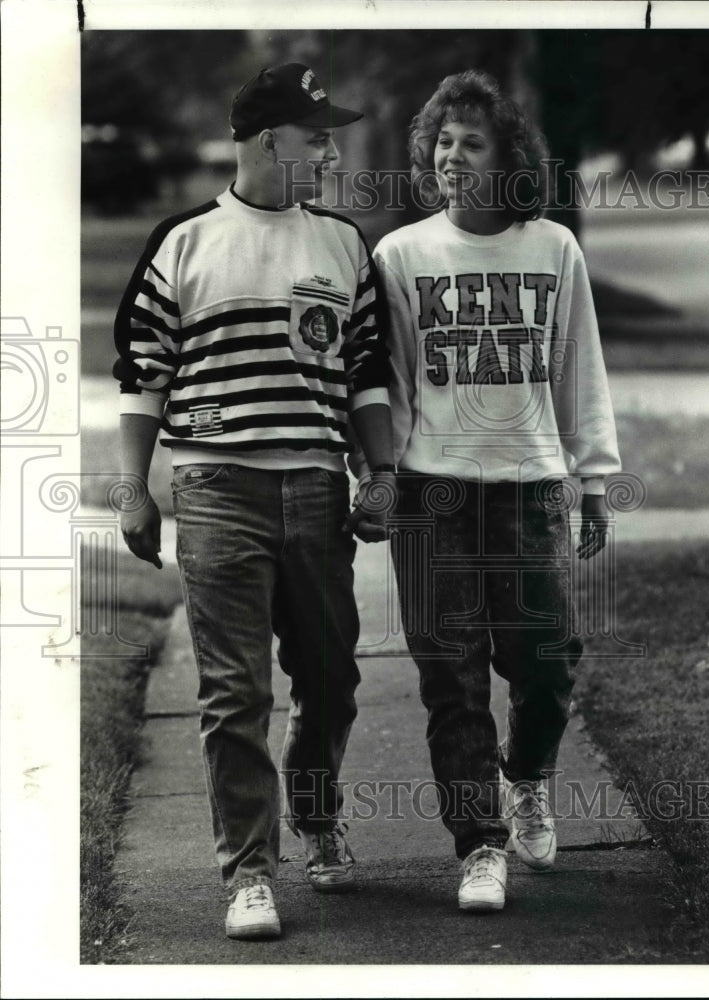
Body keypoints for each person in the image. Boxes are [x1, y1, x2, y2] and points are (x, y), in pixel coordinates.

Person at [113, 62, 394, 940]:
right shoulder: (183, 242)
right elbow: (141, 376)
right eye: (316, 134)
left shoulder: (343, 244)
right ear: (269, 139)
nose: (330, 147)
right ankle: (248, 871)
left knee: (330, 680)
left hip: (314, 488)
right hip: (215, 489)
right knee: (235, 693)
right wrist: (134, 490)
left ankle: (314, 815)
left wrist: (378, 473)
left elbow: (367, 375)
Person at [366, 70, 621, 912]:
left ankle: (530, 780)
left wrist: (594, 481)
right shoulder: (399, 255)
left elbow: (577, 364)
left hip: (530, 484)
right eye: (442, 142)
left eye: (471, 142)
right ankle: (478, 845)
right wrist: (376, 477)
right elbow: (386, 383)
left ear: (507, 155)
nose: (452, 156)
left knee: (545, 662)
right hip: (430, 493)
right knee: (451, 675)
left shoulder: (551, 247)